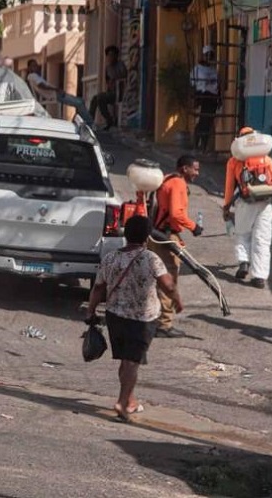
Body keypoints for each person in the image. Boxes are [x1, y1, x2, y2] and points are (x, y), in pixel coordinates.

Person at [85, 216, 183, 422]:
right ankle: (122, 402)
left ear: (126, 234)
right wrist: (177, 300)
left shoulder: (110, 258)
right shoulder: (150, 258)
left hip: (114, 316)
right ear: (147, 236)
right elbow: (168, 285)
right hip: (142, 319)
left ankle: (129, 399)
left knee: (125, 360)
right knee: (132, 363)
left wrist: (90, 311)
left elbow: (98, 288)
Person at [148, 155, 202, 338]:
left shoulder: (167, 178)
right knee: (169, 279)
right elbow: (176, 213)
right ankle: (164, 324)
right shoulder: (178, 183)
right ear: (185, 168)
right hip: (166, 236)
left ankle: (155, 318)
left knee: (158, 278)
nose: (197, 173)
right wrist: (194, 227)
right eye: (195, 169)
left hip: (155, 234)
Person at [222, 127, 272, 289]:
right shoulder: (266, 159)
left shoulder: (234, 161)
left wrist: (226, 207)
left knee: (242, 234)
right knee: (262, 240)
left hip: (245, 202)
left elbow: (229, 187)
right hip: (265, 203)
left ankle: (243, 262)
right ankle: (259, 277)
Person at [26, 59, 94, 125]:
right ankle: (90, 123)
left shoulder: (34, 76)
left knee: (80, 102)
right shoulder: (32, 76)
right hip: (55, 94)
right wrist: (56, 89)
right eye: (33, 66)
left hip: (55, 94)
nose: (35, 67)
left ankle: (78, 120)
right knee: (80, 103)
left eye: (36, 65)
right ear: (29, 68)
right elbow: (41, 85)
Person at [89, 45, 128, 131]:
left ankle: (109, 121)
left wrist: (114, 80)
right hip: (110, 92)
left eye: (112, 55)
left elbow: (124, 78)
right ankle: (89, 121)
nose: (110, 57)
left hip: (119, 93)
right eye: (109, 55)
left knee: (100, 98)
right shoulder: (108, 68)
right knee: (95, 99)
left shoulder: (120, 65)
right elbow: (107, 80)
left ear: (116, 56)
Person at [190, 45, 221, 153]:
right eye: (207, 55)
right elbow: (193, 84)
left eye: (210, 55)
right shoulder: (197, 69)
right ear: (203, 56)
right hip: (202, 96)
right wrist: (194, 99)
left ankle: (204, 146)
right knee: (201, 121)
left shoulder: (214, 70)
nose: (209, 57)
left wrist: (219, 99)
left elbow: (218, 86)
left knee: (208, 122)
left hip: (212, 98)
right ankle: (196, 144)